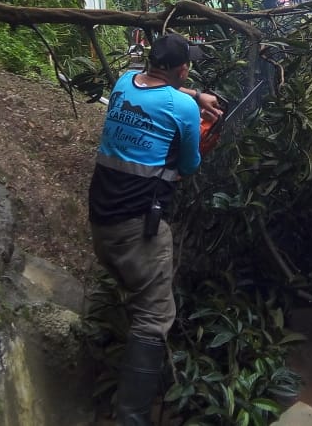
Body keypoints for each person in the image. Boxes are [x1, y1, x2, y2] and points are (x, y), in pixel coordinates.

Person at [89, 32, 222, 426]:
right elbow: (190, 166)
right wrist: (199, 122)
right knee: (153, 316)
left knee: (135, 297)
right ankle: (131, 418)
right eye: (188, 65)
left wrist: (197, 96)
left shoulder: (124, 82)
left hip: (102, 221)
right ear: (182, 69)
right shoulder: (180, 107)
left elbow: (163, 96)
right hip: (137, 230)